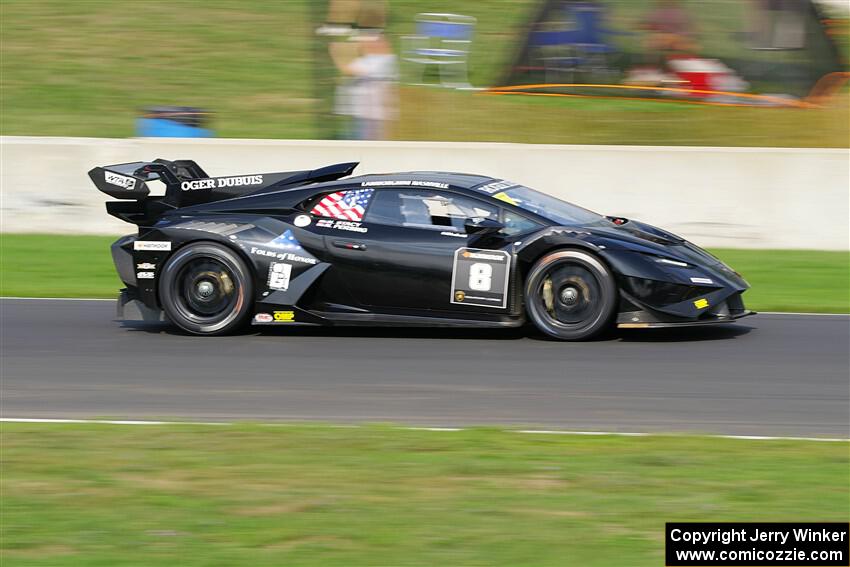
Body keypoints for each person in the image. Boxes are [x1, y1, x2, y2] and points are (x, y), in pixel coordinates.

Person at [330, 33, 398, 140]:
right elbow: (348, 69)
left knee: (369, 147)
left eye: (370, 41)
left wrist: (336, 53)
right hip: (361, 113)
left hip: (375, 116)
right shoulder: (367, 60)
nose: (364, 44)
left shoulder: (385, 60)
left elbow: (349, 70)